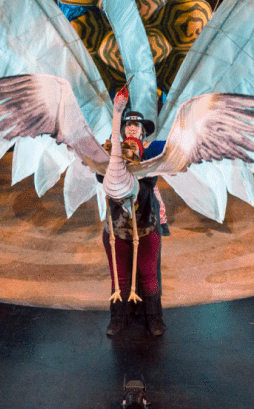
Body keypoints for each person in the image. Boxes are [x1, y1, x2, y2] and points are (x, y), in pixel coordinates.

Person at [100, 88, 170, 338]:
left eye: (136, 124)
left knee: (148, 275)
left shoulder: (152, 152)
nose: (132, 127)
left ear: (143, 130)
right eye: (128, 124)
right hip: (117, 229)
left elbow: (157, 171)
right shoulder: (109, 152)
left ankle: (154, 320)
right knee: (119, 277)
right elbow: (100, 175)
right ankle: (118, 320)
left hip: (145, 225)